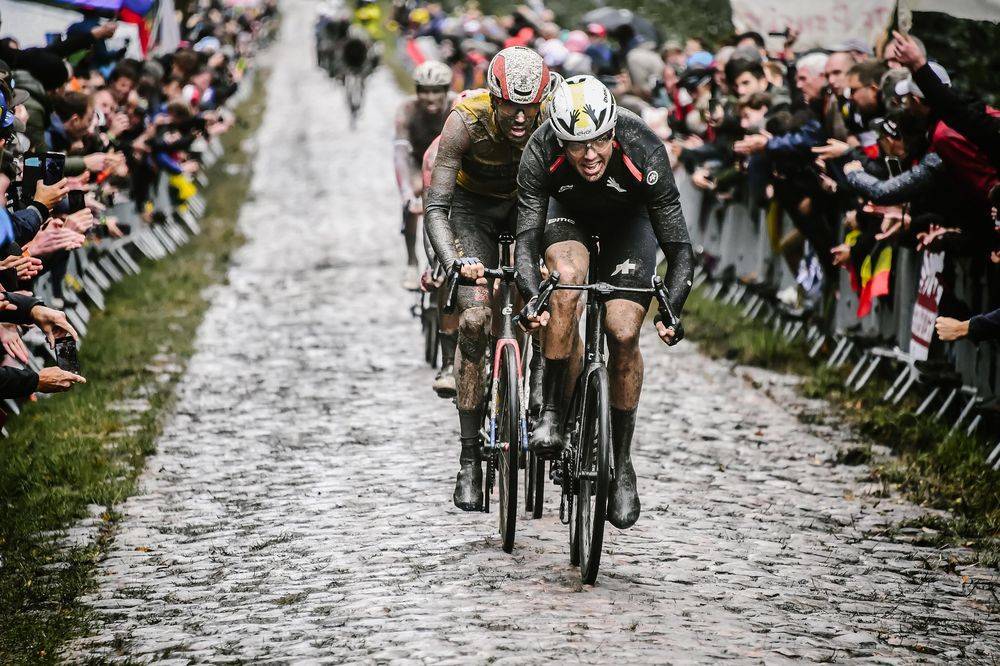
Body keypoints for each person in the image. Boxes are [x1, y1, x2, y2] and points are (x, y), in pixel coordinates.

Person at [514, 76, 694, 529]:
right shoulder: (540, 151)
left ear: (613, 132)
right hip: (565, 215)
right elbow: (526, 239)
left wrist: (672, 307)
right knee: (568, 282)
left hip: (627, 225)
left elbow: (680, 248)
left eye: (598, 142)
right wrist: (532, 296)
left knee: (623, 330)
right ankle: (553, 410)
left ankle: (623, 462)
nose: (589, 155)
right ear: (559, 140)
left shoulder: (644, 148)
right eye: (576, 145)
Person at [423, 46, 549, 511]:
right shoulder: (464, 121)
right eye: (510, 107)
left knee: (544, 297)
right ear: (493, 98)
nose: (520, 118)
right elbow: (436, 209)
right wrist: (455, 262)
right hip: (471, 211)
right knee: (474, 321)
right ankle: (470, 458)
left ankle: (537, 393)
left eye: (528, 107)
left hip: (527, 209)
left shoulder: (552, 115)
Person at [393, 60, 454, 291]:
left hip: (447, 165)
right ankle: (411, 260)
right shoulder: (407, 110)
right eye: (425, 91)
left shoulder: (457, 105)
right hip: (418, 163)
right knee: (413, 197)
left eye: (436, 91)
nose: (430, 97)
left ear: (446, 91)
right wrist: (407, 192)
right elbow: (399, 153)